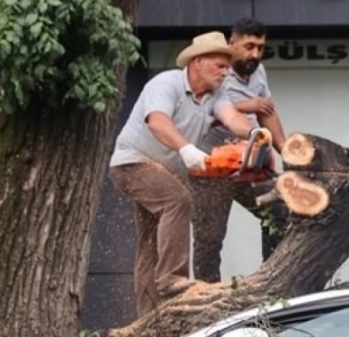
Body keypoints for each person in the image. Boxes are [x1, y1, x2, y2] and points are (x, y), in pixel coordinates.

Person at [108, 31, 259, 317]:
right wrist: (187, 148)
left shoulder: (217, 95)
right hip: (132, 163)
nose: (226, 72)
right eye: (220, 65)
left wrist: (255, 134)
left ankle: (149, 318)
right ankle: (173, 278)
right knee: (178, 201)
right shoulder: (166, 84)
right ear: (197, 61)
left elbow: (232, 117)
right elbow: (157, 122)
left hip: (164, 171)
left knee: (150, 243)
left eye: (228, 66)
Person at [191, 17, 287, 283]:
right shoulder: (214, 69)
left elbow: (266, 111)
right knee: (209, 239)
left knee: (281, 209)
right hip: (211, 162)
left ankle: (271, 282)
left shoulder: (258, 71)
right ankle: (206, 296)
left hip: (249, 160)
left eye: (260, 48)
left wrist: (286, 151)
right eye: (249, 46)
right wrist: (248, 105)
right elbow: (201, 107)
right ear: (231, 43)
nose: (255, 54)